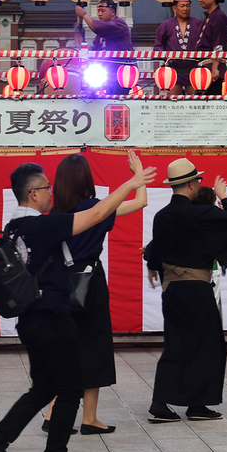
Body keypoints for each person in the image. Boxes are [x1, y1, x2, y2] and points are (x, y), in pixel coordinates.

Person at [0, 156, 155, 452]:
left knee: (44, 389)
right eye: (46, 189)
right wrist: (131, 182)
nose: (51, 194)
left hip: (31, 320)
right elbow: (99, 212)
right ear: (33, 194)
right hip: (51, 318)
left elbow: (101, 213)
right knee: (71, 389)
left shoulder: (14, 227)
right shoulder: (43, 225)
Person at [145, 158, 227, 423]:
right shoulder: (199, 214)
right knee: (208, 345)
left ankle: (175, 403)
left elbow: (156, 248)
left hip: (171, 289)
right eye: (197, 180)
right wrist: (224, 196)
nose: (199, 184)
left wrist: (152, 266)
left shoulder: (163, 216)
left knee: (177, 343)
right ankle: (188, 404)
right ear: (190, 184)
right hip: (195, 288)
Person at [42, 151, 149, 433]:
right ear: (87, 179)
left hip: (59, 284)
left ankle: (53, 412)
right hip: (90, 283)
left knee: (64, 349)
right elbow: (141, 202)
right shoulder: (98, 207)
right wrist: (137, 175)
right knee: (94, 347)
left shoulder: (53, 213)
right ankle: (90, 419)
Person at [75, 0, 133, 95]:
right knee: (106, 97)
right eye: (98, 11)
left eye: (103, 11)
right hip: (108, 72)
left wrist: (84, 15)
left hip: (123, 70)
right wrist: (82, 43)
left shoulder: (120, 24)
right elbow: (95, 50)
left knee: (116, 99)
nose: (100, 14)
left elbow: (99, 28)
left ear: (113, 12)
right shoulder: (100, 35)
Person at [153, 0, 204, 95]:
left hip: (194, 69)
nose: (185, 9)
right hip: (173, 70)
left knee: (195, 103)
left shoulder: (198, 24)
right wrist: (166, 55)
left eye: (188, 6)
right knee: (174, 103)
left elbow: (206, 44)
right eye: (182, 6)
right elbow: (158, 46)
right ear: (174, 8)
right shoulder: (166, 25)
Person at [194, 0, 227, 95]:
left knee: (208, 102)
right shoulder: (209, 16)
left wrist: (215, 68)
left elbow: (219, 44)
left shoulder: (219, 16)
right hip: (204, 65)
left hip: (211, 65)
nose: (200, 0)